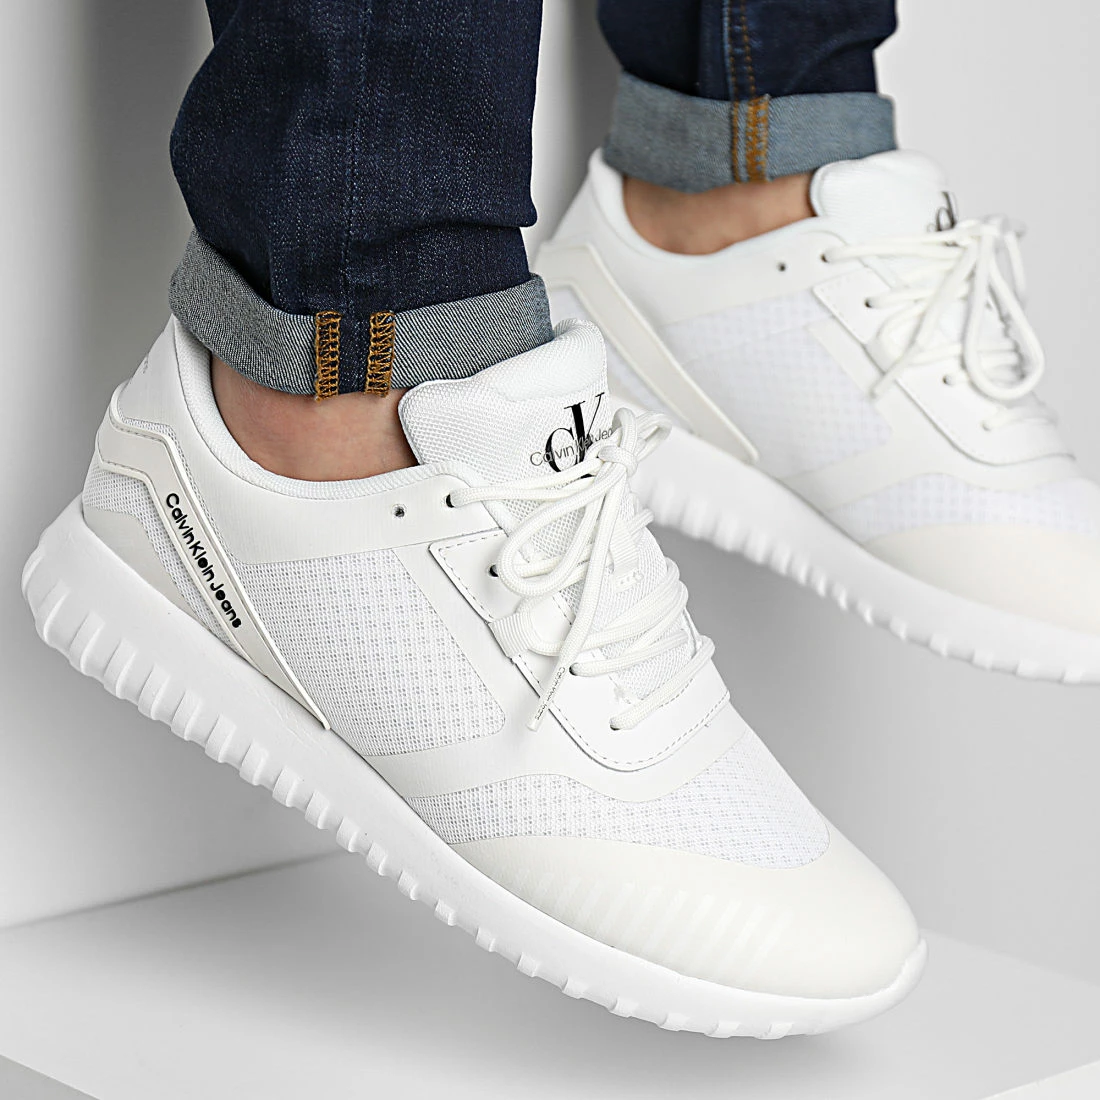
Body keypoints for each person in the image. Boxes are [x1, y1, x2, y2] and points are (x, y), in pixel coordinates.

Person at [23, 0, 1097, 1038]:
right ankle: (342, 398)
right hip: (341, 347)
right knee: (384, 319)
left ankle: (754, 171)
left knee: (761, 123)